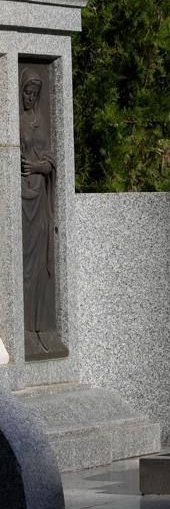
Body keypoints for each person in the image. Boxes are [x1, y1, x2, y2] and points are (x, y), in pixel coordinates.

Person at [19, 66, 64, 358]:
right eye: (27, 92)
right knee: (25, 265)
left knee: (40, 271)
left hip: (41, 197)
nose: (31, 97)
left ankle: (43, 328)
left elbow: (50, 163)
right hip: (23, 201)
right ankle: (25, 330)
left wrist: (36, 166)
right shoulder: (16, 121)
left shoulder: (42, 120)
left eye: (35, 93)